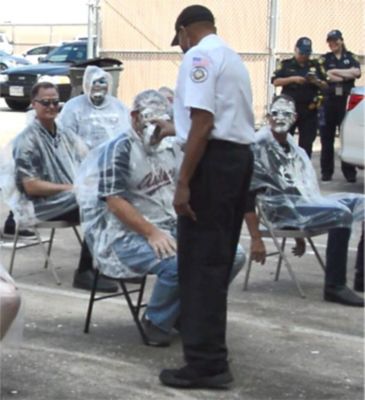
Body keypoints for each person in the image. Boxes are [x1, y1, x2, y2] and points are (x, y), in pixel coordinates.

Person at [75, 89, 248, 347]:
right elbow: (114, 201)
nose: (156, 129)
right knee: (178, 264)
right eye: (150, 120)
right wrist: (151, 233)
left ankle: (187, 311)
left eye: (161, 121)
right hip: (126, 236)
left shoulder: (169, 146)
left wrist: (178, 132)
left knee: (233, 254)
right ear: (134, 117)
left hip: (172, 225)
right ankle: (156, 320)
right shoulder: (119, 149)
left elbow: (201, 152)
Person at [159, 5, 255, 389]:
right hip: (236, 162)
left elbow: (203, 121)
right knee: (214, 264)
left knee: (198, 267)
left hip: (211, 165)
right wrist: (174, 127)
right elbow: (207, 120)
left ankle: (206, 364)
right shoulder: (231, 57)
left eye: (179, 41)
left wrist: (184, 181)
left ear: (185, 31)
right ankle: (211, 356)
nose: (180, 48)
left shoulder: (198, 56)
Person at [246, 94, 364, 307]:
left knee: (360, 202)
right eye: (276, 113)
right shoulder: (258, 147)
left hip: (300, 206)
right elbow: (246, 196)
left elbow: (300, 188)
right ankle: (334, 286)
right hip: (279, 211)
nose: (280, 118)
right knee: (341, 213)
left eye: (286, 113)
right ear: (268, 116)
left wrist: (300, 235)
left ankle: (362, 276)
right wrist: (256, 238)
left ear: (295, 117)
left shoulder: (294, 148)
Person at [10, 81, 118, 293]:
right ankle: (86, 271)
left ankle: (110, 264)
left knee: (114, 196)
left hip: (66, 198)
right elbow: (31, 187)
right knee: (97, 203)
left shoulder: (63, 134)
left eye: (56, 102)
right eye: (45, 102)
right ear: (34, 104)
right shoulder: (27, 141)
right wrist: (71, 188)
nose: (51, 107)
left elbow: (88, 159)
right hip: (40, 206)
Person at [272, 37, 327, 158]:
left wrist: (315, 81)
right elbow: (276, 81)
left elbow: (326, 85)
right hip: (289, 110)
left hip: (309, 110)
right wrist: (293, 79)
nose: (304, 56)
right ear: (295, 50)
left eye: (307, 53)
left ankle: (303, 171)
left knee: (306, 144)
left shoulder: (316, 65)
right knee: (285, 141)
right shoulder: (286, 64)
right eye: (301, 53)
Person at [319, 30, 361, 182]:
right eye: (329, 41)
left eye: (335, 41)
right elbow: (326, 75)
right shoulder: (325, 58)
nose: (332, 44)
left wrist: (335, 71)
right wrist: (345, 74)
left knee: (345, 136)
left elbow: (356, 72)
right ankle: (326, 172)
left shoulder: (351, 57)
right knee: (326, 138)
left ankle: (349, 173)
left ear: (341, 41)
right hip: (329, 100)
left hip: (346, 100)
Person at [58, 65, 130, 151]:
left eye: (102, 81)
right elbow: (65, 132)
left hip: (113, 158)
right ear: (87, 84)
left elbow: (127, 132)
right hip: (82, 161)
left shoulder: (118, 107)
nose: (97, 85)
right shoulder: (73, 106)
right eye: (94, 82)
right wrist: (79, 147)